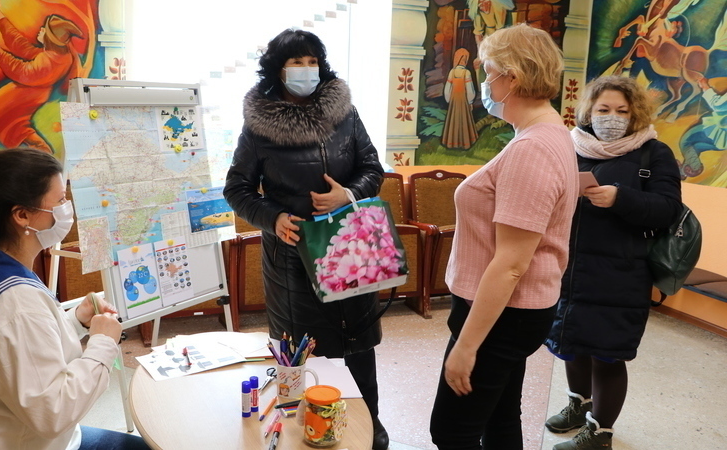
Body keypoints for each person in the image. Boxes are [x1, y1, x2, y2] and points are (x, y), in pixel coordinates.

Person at [223, 29, 388, 449]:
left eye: (312, 61)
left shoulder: (345, 113)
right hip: (292, 256)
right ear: (277, 69)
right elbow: (237, 189)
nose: (306, 69)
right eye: (296, 61)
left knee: (357, 345)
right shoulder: (259, 125)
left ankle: (369, 429)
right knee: (302, 355)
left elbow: (372, 168)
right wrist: (273, 217)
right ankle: (304, 433)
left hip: (349, 247)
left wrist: (347, 194)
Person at [0, 149, 150, 450]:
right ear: (22, 215)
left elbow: (18, 348)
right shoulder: (18, 302)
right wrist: (103, 342)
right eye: (59, 201)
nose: (67, 210)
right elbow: (54, 411)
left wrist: (76, 320)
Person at [429, 24, 578, 449]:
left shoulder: (533, 149)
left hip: (503, 313)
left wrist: (466, 347)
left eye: (488, 70)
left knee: (452, 432)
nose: (485, 80)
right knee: (500, 419)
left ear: (512, 77)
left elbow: (512, 264)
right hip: (512, 311)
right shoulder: (545, 134)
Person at [544, 76, 683, 450]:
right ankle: (578, 407)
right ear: (589, 111)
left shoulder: (654, 153)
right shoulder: (571, 147)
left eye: (622, 111)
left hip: (620, 273)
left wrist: (620, 198)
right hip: (569, 269)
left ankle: (599, 433)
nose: (612, 117)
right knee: (572, 344)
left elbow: (668, 209)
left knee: (607, 354)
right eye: (603, 109)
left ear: (635, 113)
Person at [0, 0, 83, 167]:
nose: (41, 29)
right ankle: (43, 151)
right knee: (14, 126)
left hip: (25, 92)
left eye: (45, 29)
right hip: (33, 93)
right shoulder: (56, 54)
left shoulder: (50, 61)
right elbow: (21, 46)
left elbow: (23, 72)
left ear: (51, 37)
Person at [442, 48, 478, 150]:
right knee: (464, 120)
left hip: (454, 101)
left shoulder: (452, 72)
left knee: (453, 120)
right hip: (463, 101)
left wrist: (449, 100)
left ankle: (452, 142)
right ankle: (464, 142)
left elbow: (447, 89)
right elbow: (470, 90)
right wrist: (470, 101)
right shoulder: (466, 73)